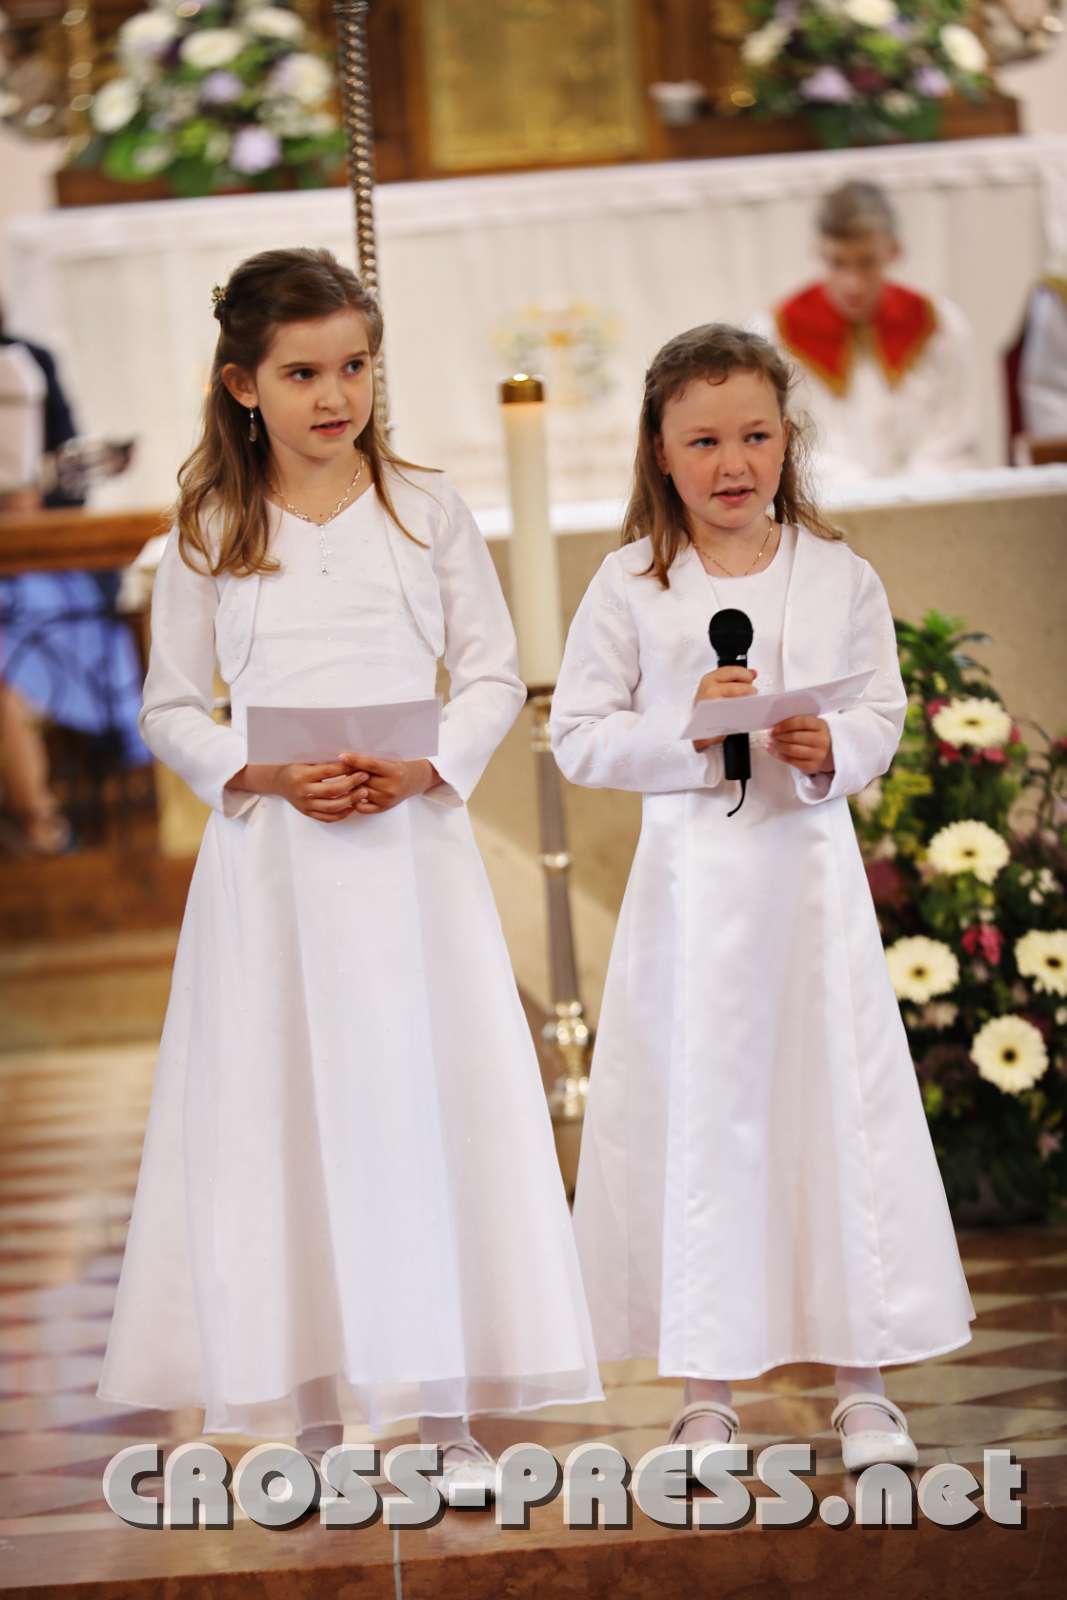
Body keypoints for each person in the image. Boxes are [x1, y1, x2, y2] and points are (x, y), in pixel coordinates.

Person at [95, 247, 602, 1504]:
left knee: (422, 1105)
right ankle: (317, 1410)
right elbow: (171, 705)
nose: (336, 396)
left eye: (355, 366)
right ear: (241, 384)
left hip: (408, 861)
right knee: (290, 1114)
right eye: (303, 373)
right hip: (274, 873)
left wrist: (429, 763)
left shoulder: (424, 510)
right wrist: (259, 774)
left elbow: (490, 671)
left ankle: (442, 1407)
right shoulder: (209, 530)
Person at [550, 323, 975, 1475]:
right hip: (691, 900)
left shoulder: (836, 572)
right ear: (659, 451)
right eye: (701, 441)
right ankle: (705, 1391)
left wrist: (831, 742)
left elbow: (878, 709)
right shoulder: (629, 585)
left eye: (752, 435)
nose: (730, 462)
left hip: (806, 891)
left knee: (832, 1110)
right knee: (703, 1119)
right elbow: (578, 734)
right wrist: (688, 731)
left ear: (788, 438)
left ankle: (860, 1380)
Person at [0, 312, 149, 853]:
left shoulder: (28, 360)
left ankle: (41, 822)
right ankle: (38, 821)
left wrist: (36, 494)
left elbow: (68, 482)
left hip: (35, 565)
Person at [751, 180, 979, 489]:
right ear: (818, 251)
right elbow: (783, 442)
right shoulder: (776, 334)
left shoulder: (939, 326)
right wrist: (861, 493)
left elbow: (953, 436)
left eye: (867, 262)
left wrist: (910, 492)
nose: (852, 284)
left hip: (927, 496)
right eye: (838, 263)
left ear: (893, 251)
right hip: (827, 501)